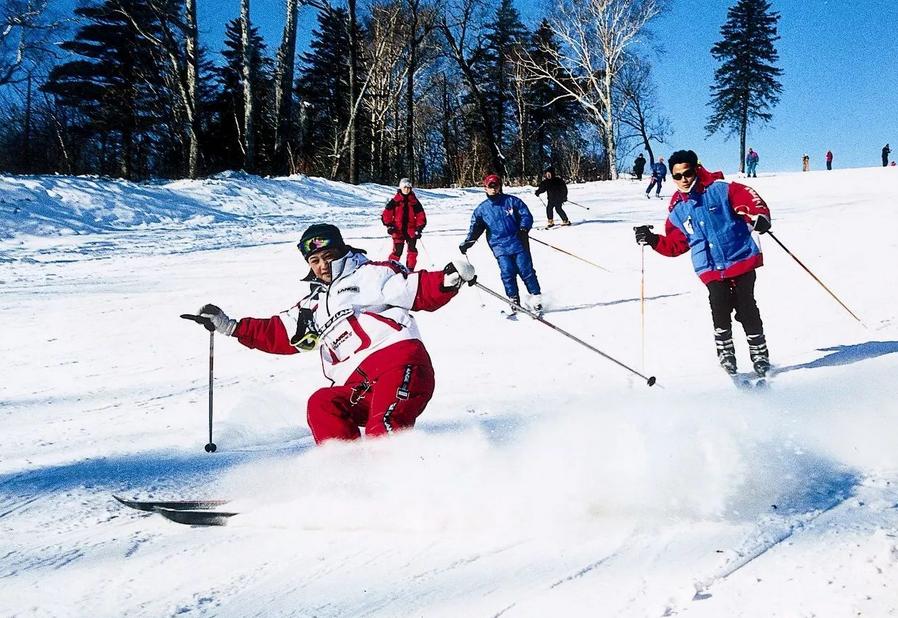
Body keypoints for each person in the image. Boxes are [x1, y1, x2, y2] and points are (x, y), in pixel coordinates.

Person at [192, 223, 476, 444]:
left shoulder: (370, 274)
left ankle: (396, 493)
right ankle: (346, 482)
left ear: (342, 251)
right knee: (322, 404)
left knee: (382, 430)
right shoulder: (312, 306)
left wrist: (447, 280)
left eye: (328, 256)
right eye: (314, 260)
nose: (322, 265)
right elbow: (279, 332)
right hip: (359, 386)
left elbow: (415, 288)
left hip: (398, 365)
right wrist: (229, 326)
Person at [634, 149, 773, 378]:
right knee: (719, 304)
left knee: (746, 305)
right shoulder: (677, 210)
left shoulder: (720, 189)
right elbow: (676, 245)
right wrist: (651, 239)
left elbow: (750, 199)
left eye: (687, 173)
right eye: (677, 176)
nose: (683, 179)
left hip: (740, 257)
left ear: (695, 170)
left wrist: (759, 217)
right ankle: (725, 350)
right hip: (709, 267)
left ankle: (759, 352)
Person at [459, 174, 542, 312]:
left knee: (525, 270)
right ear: (485, 188)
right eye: (490, 186)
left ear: (500, 187)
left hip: (518, 241)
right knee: (507, 272)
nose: (493, 189)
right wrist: (468, 242)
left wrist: (523, 228)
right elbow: (476, 228)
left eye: (495, 186)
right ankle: (513, 298)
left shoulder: (512, 201)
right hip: (499, 245)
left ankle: (536, 297)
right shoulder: (482, 209)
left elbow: (525, 215)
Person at [382, 178, 426, 270]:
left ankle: (410, 269)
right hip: (398, 230)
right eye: (405, 187)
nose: (407, 189)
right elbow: (386, 214)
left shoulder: (414, 201)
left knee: (412, 251)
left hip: (411, 230)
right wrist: (389, 225)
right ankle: (391, 268)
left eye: (409, 187)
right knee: (397, 251)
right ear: (401, 188)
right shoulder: (395, 201)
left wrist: (419, 228)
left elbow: (420, 215)